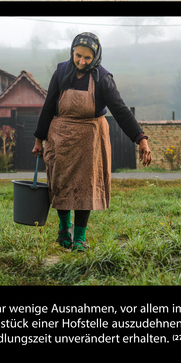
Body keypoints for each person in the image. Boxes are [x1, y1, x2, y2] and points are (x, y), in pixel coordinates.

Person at [32, 32, 152, 252]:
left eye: (87, 58)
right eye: (78, 56)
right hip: (61, 136)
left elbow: (121, 110)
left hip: (90, 140)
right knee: (60, 184)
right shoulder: (61, 72)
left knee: (84, 188)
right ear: (72, 52)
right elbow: (49, 105)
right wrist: (39, 139)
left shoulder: (103, 79)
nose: (81, 61)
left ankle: (79, 238)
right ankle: (63, 230)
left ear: (96, 57)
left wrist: (140, 138)